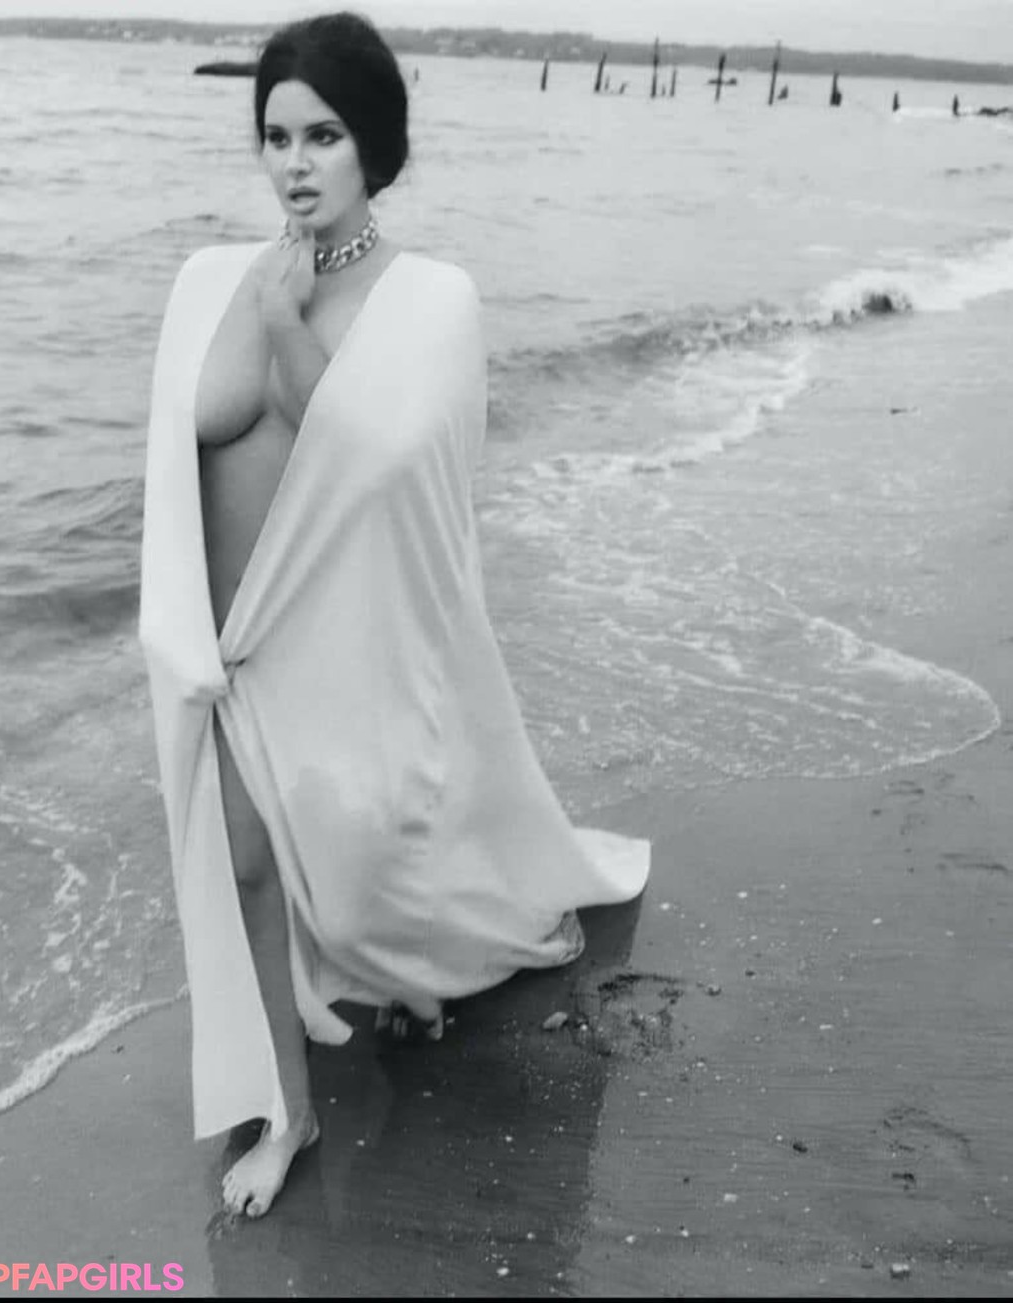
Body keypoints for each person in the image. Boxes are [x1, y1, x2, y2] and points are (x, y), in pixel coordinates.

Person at [139, 11, 649, 1221]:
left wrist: (286, 322)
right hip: (227, 651)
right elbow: (167, 471)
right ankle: (289, 1113)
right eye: (275, 136)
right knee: (249, 869)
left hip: (345, 647)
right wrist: (175, 632)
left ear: (375, 144)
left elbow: (377, 464)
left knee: (372, 877)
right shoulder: (206, 281)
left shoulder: (431, 300)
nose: (294, 163)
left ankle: (429, 970)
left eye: (323, 135)